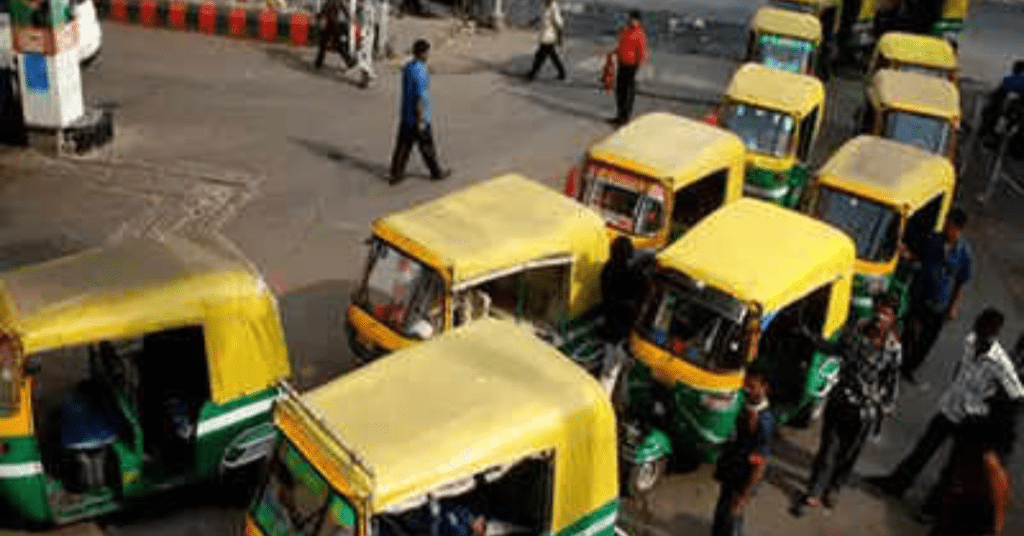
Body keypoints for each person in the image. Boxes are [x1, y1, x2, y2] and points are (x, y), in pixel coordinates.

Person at [867, 308, 1024, 500]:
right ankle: (897, 485)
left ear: (994, 334)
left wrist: (989, 404)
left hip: (970, 420)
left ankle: (932, 506)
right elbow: (962, 364)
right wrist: (956, 385)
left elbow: (1017, 395)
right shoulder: (971, 341)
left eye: (984, 331)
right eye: (978, 326)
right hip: (949, 408)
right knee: (923, 450)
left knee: (952, 467)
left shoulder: (1000, 363)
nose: (979, 333)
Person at [790, 296, 902, 516]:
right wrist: (812, 338)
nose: (880, 317)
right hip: (840, 399)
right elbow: (836, 348)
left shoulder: (894, 349)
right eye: (879, 311)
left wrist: (885, 409)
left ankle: (834, 487)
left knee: (848, 453)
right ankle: (814, 490)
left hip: (864, 411)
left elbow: (892, 383)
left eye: (887, 314)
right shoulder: (857, 329)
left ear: (893, 319)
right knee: (828, 448)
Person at [899, 208, 972, 384]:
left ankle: (909, 368)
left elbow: (961, 281)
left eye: (950, 225)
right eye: (946, 223)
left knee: (926, 341)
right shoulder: (931, 239)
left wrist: (953, 306)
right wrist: (906, 255)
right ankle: (898, 362)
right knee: (909, 330)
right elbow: (916, 257)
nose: (946, 227)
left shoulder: (964, 253)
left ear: (958, 229)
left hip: (940, 302)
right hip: (919, 295)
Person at [929, 404, 1015, 536]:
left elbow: (1001, 492)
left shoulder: (985, 460)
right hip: (967, 508)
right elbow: (1003, 492)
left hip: (968, 509)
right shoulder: (983, 458)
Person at [712, 369, 774, 536]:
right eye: (745, 384)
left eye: (752, 386)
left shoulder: (764, 423)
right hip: (730, 472)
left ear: (764, 388)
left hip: (741, 480)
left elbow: (759, 465)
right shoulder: (743, 405)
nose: (746, 389)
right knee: (721, 514)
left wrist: (744, 495)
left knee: (731, 520)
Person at [389, 39, 450, 185]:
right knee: (427, 147)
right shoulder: (421, 72)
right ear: (422, 53)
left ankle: (396, 174)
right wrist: (421, 120)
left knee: (403, 146)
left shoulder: (408, 67)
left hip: (406, 115)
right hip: (419, 117)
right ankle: (436, 173)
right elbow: (420, 98)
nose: (429, 55)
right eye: (427, 52)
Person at [599, 236, 645, 342]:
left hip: (616, 314)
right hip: (621, 316)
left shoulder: (609, 268)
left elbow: (606, 293)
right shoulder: (635, 271)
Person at [611, 10, 648, 126]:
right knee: (619, 91)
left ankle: (625, 117)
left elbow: (642, 51)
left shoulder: (639, 33)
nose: (629, 20)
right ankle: (619, 115)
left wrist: (638, 66)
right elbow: (621, 43)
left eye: (632, 18)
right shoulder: (625, 29)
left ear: (637, 20)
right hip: (622, 63)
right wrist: (615, 53)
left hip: (631, 65)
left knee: (628, 92)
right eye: (629, 18)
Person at [980, 60, 1024, 145]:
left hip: (1005, 107)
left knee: (989, 112)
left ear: (1014, 69)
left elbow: (997, 93)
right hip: (1017, 108)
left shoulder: (1008, 80)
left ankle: (987, 133)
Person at [525, 0, 567, 82]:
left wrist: (559, 35)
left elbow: (559, 22)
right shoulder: (546, 6)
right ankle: (562, 73)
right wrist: (534, 21)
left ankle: (533, 73)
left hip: (549, 35)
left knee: (541, 55)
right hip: (545, 34)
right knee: (551, 55)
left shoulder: (553, 7)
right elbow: (543, 17)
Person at [315, 0, 356, 71]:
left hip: (330, 25)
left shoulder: (330, 2)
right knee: (337, 45)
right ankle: (349, 61)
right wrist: (350, 18)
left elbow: (323, 11)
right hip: (336, 25)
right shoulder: (339, 1)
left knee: (323, 44)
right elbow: (346, 11)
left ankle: (318, 63)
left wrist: (318, 16)